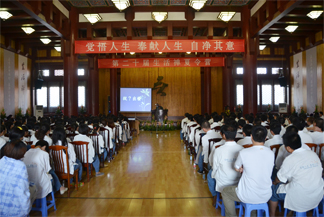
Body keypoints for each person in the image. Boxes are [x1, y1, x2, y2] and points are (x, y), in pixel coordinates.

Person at [222, 126, 274, 217]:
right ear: (266, 138)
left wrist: (241, 169)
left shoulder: (244, 152)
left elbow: (236, 167)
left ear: (251, 137)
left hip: (247, 194)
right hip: (266, 195)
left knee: (225, 192)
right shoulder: (271, 153)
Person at [269, 132, 324, 217]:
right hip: (317, 193)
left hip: (300, 196)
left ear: (288, 148)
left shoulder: (290, 159)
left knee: (273, 191)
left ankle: (271, 215)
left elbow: (280, 179)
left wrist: (275, 183)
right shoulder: (312, 154)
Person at [0, 140, 36, 216]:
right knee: (34, 188)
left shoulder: (1, 161)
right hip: (15, 211)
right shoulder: (20, 165)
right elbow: (22, 189)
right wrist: (25, 208)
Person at [210, 124, 243, 206]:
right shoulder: (242, 149)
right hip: (239, 181)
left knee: (211, 174)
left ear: (223, 136)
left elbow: (215, 168)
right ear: (235, 135)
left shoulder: (218, 150)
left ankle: (215, 196)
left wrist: (213, 176)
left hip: (223, 182)